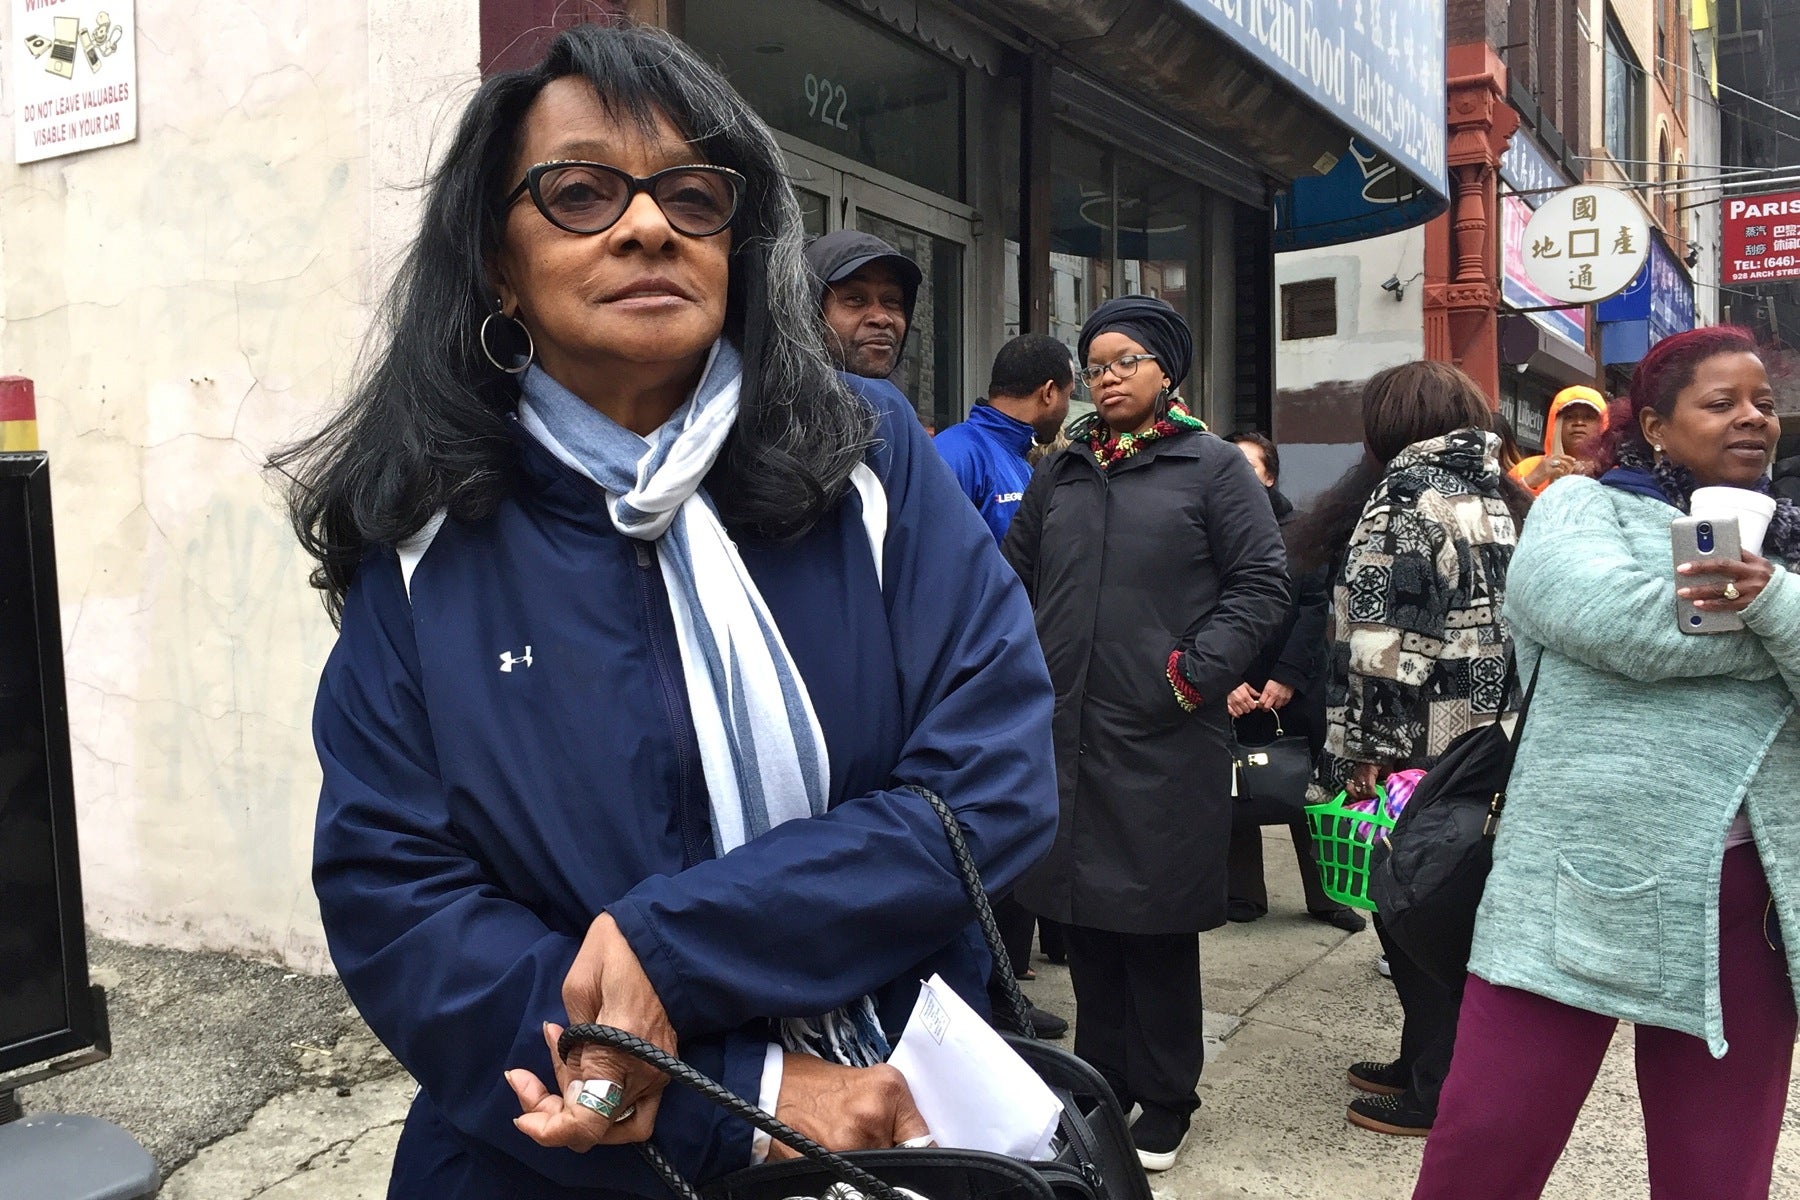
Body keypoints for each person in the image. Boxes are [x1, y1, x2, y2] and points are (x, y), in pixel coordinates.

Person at [272, 25, 1057, 1199]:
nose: (648, 226)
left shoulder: (866, 457)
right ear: (496, 260)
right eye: (580, 192)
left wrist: (671, 945)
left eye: (694, 195)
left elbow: (990, 787)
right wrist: (723, 1095)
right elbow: (398, 898)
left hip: (907, 1120)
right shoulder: (429, 532)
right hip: (560, 1170)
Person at [1413, 326, 1800, 1200]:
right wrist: (1779, 635)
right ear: (1655, 426)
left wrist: (1769, 597)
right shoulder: (1583, 508)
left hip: (1749, 905)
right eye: (1722, 402)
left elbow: (1673, 627)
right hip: (1575, 879)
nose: (1753, 419)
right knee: (1486, 1149)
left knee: (1719, 1175)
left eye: (1765, 406)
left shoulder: (1789, 543)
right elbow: (1614, 623)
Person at [1002, 296, 1289, 1172]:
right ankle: (1102, 1085)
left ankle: (1166, 1097)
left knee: (1154, 926)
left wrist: (1189, 677)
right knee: (1085, 925)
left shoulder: (1209, 468)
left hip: (1162, 734)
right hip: (1066, 731)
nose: (1108, 375)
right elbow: (1011, 575)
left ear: (1168, 370)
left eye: (1127, 359)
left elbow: (1263, 584)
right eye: (1096, 362)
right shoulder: (1065, 467)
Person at [1289, 361, 1528, 1139]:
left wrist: (1360, 754)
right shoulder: (1499, 494)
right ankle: (1423, 1060)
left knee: (1412, 911)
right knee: (1454, 910)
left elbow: (1378, 650)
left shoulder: (1400, 497)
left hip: (1416, 747)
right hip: (1489, 740)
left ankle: (1435, 1088)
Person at [933, 333, 1075, 1041]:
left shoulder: (1025, 457)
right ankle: (981, 1000)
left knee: (1013, 835)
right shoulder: (958, 453)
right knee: (974, 843)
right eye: (1070, 391)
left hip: (1018, 677)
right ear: (1051, 391)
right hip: (964, 685)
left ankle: (1004, 992)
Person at [1220, 432, 1364, 934]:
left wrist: (1287, 676)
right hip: (1233, 680)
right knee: (1236, 783)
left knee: (1311, 788)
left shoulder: (1302, 530)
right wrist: (1226, 677)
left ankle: (1326, 898)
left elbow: (1314, 607)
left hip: (1293, 683)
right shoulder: (1209, 527)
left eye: (1249, 467)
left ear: (1271, 475)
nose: (1239, 477)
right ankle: (1242, 894)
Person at [934, 334, 1075, 544]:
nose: (1067, 408)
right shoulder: (956, 454)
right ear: (1049, 393)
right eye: (1069, 396)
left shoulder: (1018, 461)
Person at [803, 230, 921, 380]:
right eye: (856, 299)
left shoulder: (894, 402)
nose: (882, 318)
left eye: (892, 301)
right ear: (810, 313)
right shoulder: (775, 401)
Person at [1509, 384, 1607, 495]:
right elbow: (1500, 505)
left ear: (1602, 424)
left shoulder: (1612, 472)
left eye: (1588, 417)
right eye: (1569, 417)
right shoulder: (1527, 468)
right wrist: (1530, 481)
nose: (1579, 423)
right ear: (1556, 424)